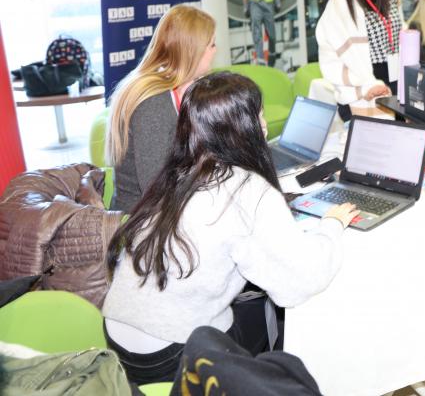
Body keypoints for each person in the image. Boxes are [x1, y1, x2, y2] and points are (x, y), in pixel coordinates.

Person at [102, 72, 358, 384]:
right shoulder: (247, 191)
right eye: (259, 115)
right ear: (244, 126)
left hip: (118, 340)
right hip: (172, 355)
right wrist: (332, 225)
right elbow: (301, 282)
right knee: (275, 315)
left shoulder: (177, 172)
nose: (265, 124)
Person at [106, 4, 216, 213]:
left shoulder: (171, 87)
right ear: (193, 51)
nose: (215, 51)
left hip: (163, 208)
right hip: (144, 219)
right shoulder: (153, 104)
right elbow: (156, 189)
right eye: (212, 45)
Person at [316, 0, 404, 121]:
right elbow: (330, 59)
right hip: (361, 93)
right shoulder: (340, 2)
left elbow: (399, 31)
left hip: (395, 84)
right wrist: (366, 85)